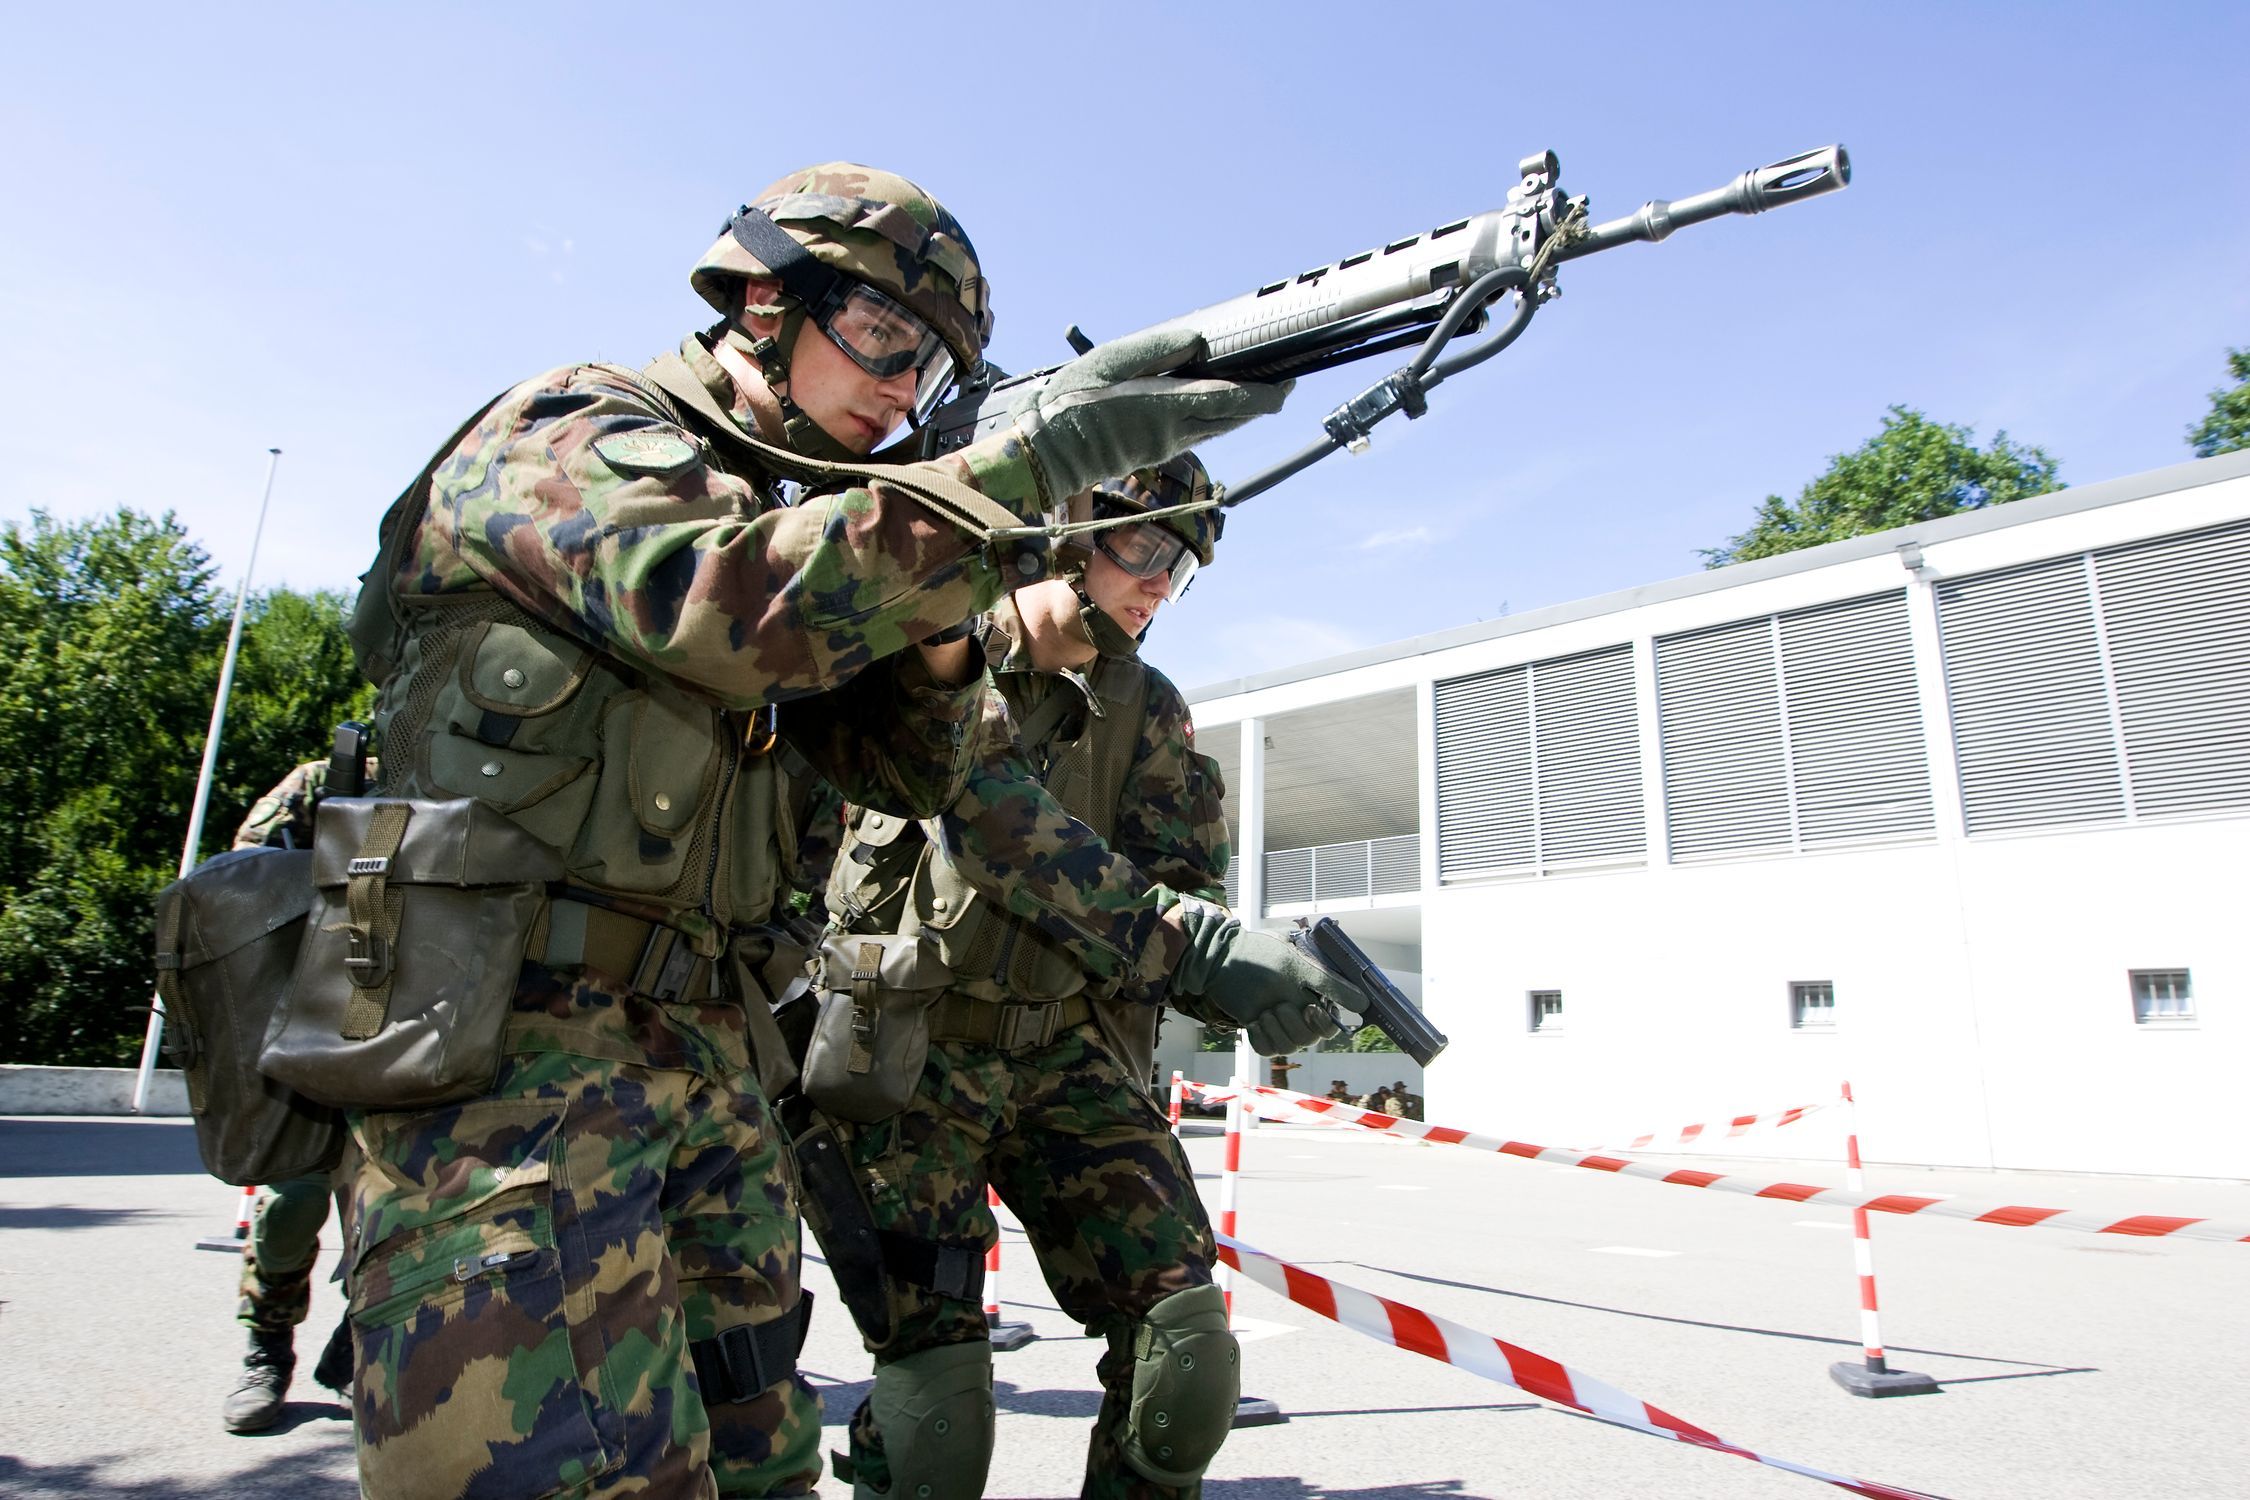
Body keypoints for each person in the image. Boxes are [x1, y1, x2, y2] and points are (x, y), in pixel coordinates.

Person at [335, 163, 1286, 1500]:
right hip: (508, 1051)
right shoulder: (578, 428)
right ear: (764, 298)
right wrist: (1019, 466)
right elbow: (719, 607)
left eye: (932, 372)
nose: (903, 394)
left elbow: (911, 764)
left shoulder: (820, 520)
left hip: (699, 1054)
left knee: (761, 1470)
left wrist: (955, 598)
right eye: (888, 345)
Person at [815, 455, 1367, 1500]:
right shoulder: (938, 650)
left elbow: (1175, 886)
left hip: (1064, 1052)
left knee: (1187, 1361)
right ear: (1066, 528)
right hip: (906, 1060)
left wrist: (1257, 965)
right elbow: (992, 823)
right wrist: (1196, 948)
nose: (1161, 583)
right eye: (1147, 548)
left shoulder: (1149, 711)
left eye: (1182, 567)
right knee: (937, 1412)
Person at [220, 760, 358, 1434]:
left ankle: (365, 1347)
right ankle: (266, 1345)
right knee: (295, 1199)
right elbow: (242, 879)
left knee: (406, 1213)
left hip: (422, 1030)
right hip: (309, 1027)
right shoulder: (327, 780)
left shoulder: (455, 774)